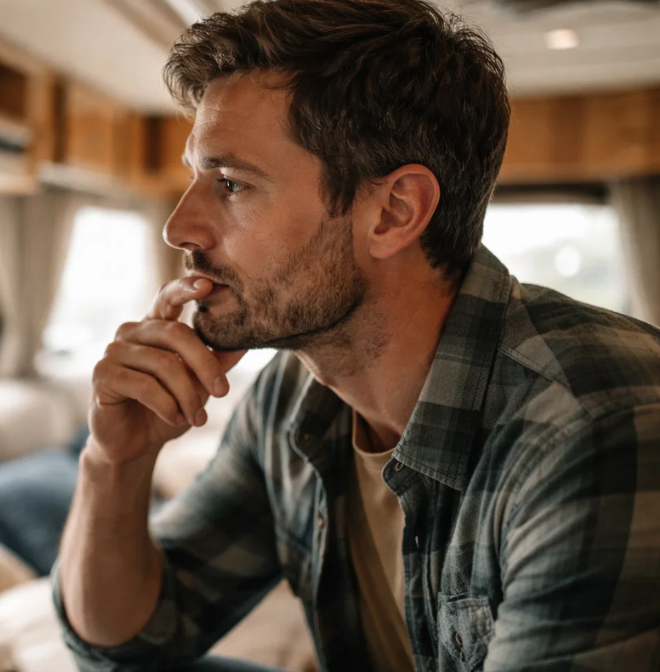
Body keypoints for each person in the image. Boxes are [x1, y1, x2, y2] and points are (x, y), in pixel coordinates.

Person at [53, 0, 660, 670]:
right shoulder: (288, 399)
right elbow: (131, 639)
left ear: (392, 213)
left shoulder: (601, 420)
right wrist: (114, 463)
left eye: (230, 183)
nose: (178, 227)